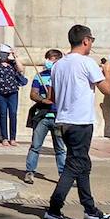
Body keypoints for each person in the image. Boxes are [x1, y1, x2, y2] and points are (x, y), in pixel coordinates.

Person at [42, 25, 110, 219]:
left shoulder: (58, 65)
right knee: (74, 165)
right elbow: (107, 90)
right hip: (80, 122)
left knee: (83, 164)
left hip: (64, 120)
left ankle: (90, 209)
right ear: (85, 41)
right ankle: (54, 210)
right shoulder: (86, 63)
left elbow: (52, 97)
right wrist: (108, 72)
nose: (92, 44)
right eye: (91, 40)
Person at [23, 48, 68, 186]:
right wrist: (43, 100)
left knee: (60, 148)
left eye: (52, 59)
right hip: (43, 116)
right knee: (35, 146)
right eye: (48, 58)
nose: (48, 61)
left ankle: (63, 175)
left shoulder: (64, 76)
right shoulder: (39, 76)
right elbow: (33, 94)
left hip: (58, 117)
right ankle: (30, 172)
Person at [0, 44, 28, 146]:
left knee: (13, 114)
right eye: (2, 53)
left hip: (12, 92)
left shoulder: (12, 64)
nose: (4, 55)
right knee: (3, 114)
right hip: (0, 93)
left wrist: (15, 56)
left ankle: (13, 138)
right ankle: (4, 137)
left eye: (6, 53)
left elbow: (21, 69)